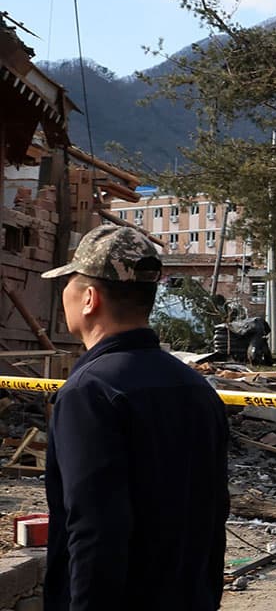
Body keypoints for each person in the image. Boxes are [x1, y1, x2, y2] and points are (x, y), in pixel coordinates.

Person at [40, 225, 230, 610]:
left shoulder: (88, 393)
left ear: (89, 298)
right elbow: (214, 517)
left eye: (69, 283)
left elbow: (95, 529)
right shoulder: (196, 388)